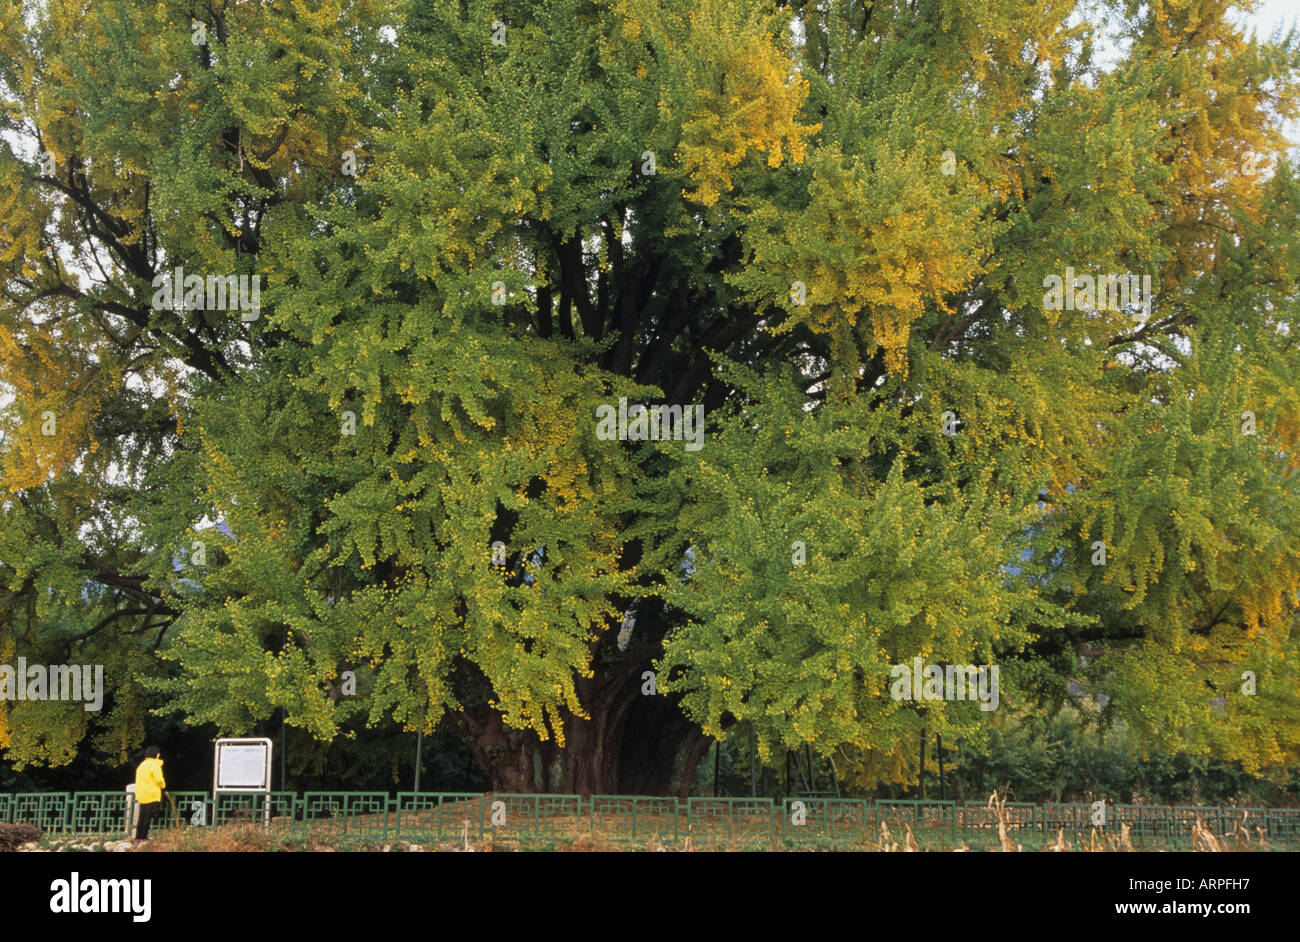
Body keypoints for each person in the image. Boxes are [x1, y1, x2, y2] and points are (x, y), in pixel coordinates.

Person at [133, 745, 167, 842]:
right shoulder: (155, 765)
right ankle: (144, 836)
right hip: (151, 794)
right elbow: (158, 779)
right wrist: (163, 786)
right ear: (157, 754)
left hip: (141, 794)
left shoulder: (142, 765)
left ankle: (138, 837)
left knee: (142, 816)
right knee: (148, 816)